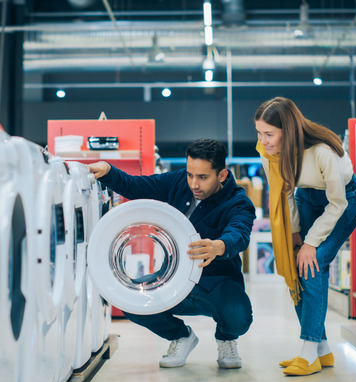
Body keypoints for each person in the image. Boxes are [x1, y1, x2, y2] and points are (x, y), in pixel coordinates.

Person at [88, 138, 255, 369]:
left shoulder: (238, 202)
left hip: (217, 283)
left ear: (222, 175)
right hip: (173, 279)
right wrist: (108, 172)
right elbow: (137, 186)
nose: (194, 183)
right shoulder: (178, 182)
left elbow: (240, 233)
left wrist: (220, 246)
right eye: (190, 174)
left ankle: (226, 338)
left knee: (239, 316)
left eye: (203, 177)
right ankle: (181, 336)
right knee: (129, 300)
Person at [254, 97, 356, 376]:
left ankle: (308, 352)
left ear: (287, 131)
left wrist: (311, 242)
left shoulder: (322, 151)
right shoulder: (271, 153)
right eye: (259, 133)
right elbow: (285, 193)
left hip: (345, 201)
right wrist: (294, 234)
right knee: (295, 264)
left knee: (312, 265)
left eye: (269, 134)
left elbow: (337, 203)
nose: (263, 141)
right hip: (306, 196)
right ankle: (322, 351)